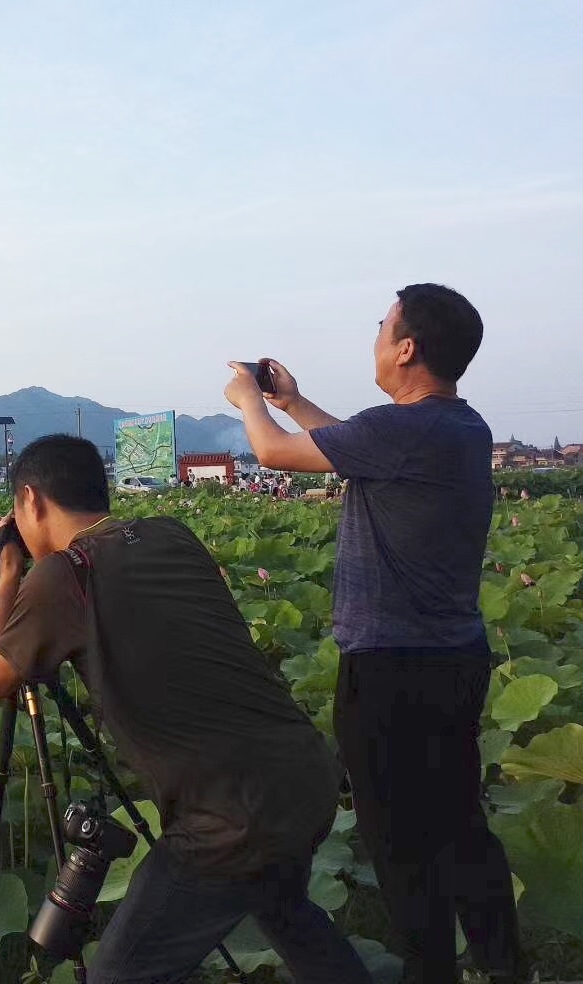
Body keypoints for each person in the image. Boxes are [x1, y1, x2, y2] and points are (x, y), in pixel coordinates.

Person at [0, 435, 368, 984]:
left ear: (31, 501)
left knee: (119, 975)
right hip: (305, 776)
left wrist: (9, 576)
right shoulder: (171, 534)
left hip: (228, 818)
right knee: (286, 913)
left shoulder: (64, 573)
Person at [223, 283, 524, 984]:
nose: (377, 340)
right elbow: (353, 447)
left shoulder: (403, 431)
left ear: (408, 348)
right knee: (457, 823)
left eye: (382, 329)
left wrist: (250, 402)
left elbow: (272, 455)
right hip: (453, 658)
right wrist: (293, 401)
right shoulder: (458, 426)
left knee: (400, 843)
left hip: (392, 670)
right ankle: (506, 966)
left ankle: (430, 971)